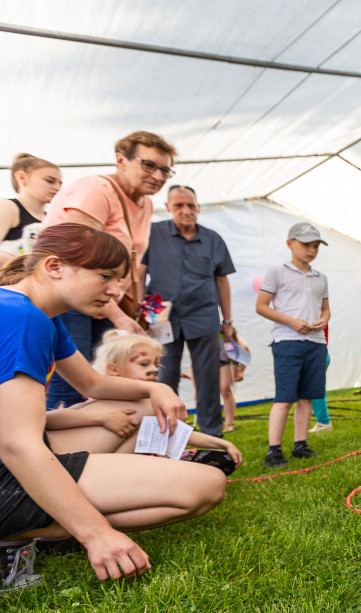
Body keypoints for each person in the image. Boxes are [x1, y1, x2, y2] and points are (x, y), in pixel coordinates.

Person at [0, 225, 225, 591]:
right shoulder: (20, 317)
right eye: (105, 277)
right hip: (10, 469)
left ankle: (45, 523)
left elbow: (92, 384)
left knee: (140, 409)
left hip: (15, 458)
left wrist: (157, 387)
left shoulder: (35, 314)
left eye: (119, 280)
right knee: (207, 485)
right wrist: (96, 534)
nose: (114, 290)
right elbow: (17, 445)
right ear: (54, 266)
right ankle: (21, 534)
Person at [42, 131, 178, 409]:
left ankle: (94, 444)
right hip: (71, 300)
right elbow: (77, 257)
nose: (158, 175)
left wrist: (134, 310)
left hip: (104, 301)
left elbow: (135, 262)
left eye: (165, 170)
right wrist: (116, 315)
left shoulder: (147, 203)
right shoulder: (96, 190)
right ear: (121, 160)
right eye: (149, 165)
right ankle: (58, 448)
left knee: (107, 377)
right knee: (72, 382)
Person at [50, 330, 243, 473]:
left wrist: (220, 444)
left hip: (128, 460)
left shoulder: (147, 402)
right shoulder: (100, 401)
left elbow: (175, 431)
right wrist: (102, 418)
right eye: (143, 364)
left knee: (220, 461)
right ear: (113, 370)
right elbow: (53, 418)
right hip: (98, 466)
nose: (154, 370)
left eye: (156, 365)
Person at [141, 185, 235, 437]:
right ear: (168, 207)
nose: (186, 210)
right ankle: (165, 432)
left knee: (207, 376)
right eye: (179, 205)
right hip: (159, 315)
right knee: (164, 373)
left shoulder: (213, 239)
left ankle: (211, 434)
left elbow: (222, 281)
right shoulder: (152, 233)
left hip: (203, 315)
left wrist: (227, 320)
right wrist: (141, 313)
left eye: (191, 205)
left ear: (198, 208)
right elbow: (139, 274)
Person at [255, 223, 330, 467]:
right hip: (287, 342)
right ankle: (273, 450)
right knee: (285, 397)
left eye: (316, 245)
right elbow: (262, 306)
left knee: (307, 397)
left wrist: (324, 319)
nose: (311, 250)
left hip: (316, 343)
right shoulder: (277, 271)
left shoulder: (321, 277)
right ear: (290, 244)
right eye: (306, 244)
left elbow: (326, 309)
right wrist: (292, 322)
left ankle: (301, 445)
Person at [0, 154, 62, 265]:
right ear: (21, 177)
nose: (57, 188)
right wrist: (31, 265)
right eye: (50, 181)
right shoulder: (8, 207)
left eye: (60, 183)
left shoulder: (52, 218)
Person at [219, 330, 250, 433]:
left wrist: (241, 371)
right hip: (213, 360)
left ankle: (229, 424)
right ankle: (215, 423)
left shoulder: (228, 331)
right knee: (215, 390)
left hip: (229, 361)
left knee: (224, 389)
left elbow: (246, 351)